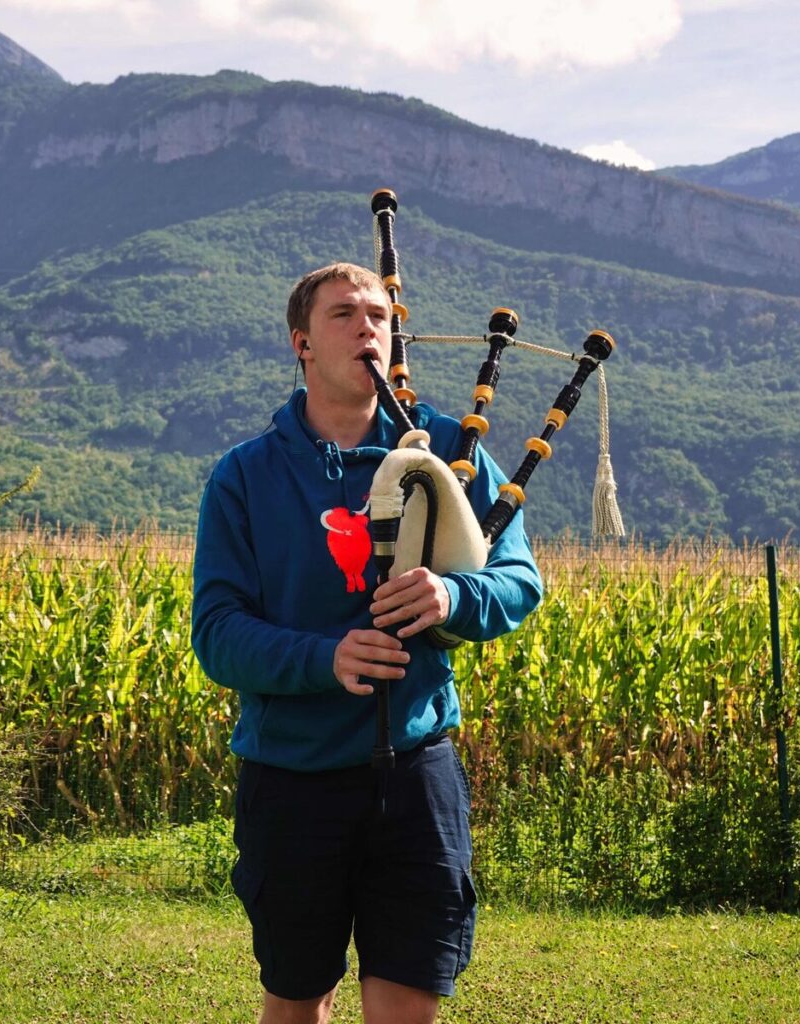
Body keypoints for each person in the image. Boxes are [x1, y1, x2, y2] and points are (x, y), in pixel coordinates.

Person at [192, 262, 541, 1024]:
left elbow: (519, 582)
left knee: (409, 1005)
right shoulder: (245, 477)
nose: (368, 329)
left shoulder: (448, 450)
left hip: (417, 771)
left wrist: (454, 594)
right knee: (295, 1001)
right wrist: (327, 658)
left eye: (380, 316)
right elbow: (217, 635)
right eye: (345, 314)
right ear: (302, 344)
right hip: (292, 775)